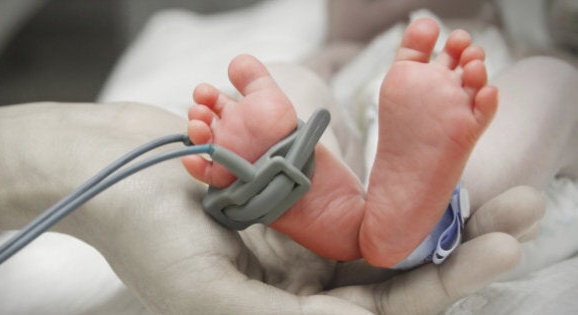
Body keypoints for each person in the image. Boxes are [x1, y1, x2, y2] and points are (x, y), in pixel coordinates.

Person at [0, 99, 544, 314]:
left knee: (300, 78)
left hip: (337, 140)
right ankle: (424, 215)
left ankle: (294, 169)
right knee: (548, 82)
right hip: (379, 138)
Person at [183, 17, 578, 268]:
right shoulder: (342, 52)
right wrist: (244, 118)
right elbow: (292, 84)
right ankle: (299, 169)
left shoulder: (504, 38)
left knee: (552, 79)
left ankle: (429, 210)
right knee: (286, 80)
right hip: (348, 161)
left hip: (467, 142)